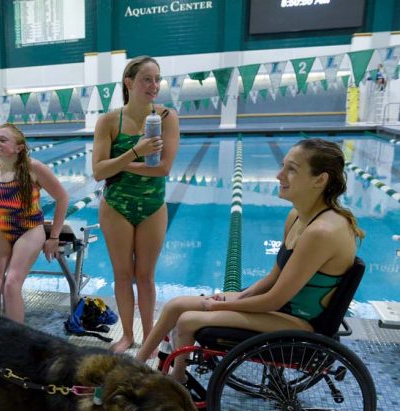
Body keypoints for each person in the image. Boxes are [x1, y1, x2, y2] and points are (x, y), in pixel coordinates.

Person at [134, 138, 364, 382]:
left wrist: (222, 305)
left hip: (300, 322)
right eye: (283, 166)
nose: (279, 175)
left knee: (189, 319)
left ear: (320, 180)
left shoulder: (322, 232)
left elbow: (274, 298)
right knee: (175, 305)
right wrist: (238, 297)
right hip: (282, 309)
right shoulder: (297, 216)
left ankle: (177, 379)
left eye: (292, 170)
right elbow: (274, 277)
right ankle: (135, 368)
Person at [92, 56, 179, 354]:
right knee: (122, 274)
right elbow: (98, 172)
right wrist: (136, 151)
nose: (154, 86)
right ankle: (128, 335)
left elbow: (164, 168)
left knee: (145, 276)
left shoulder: (167, 117)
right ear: (129, 83)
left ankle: (150, 336)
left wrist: (122, 165)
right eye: (147, 79)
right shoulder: (108, 121)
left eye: (157, 79)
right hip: (116, 205)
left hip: (153, 205)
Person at [0, 123, 69, 323]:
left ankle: (16, 340)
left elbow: (62, 198)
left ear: (19, 147)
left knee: (11, 284)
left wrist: (53, 236)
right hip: (0, 228)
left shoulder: (34, 168)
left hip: (29, 229)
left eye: (2, 140)